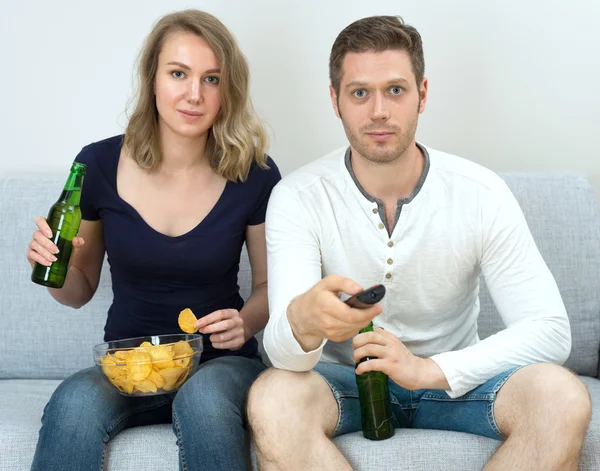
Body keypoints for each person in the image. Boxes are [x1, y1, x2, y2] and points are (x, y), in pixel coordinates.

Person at [247, 15, 591, 471]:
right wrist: (303, 320)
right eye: (359, 93)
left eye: (395, 90)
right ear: (335, 100)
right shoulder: (297, 196)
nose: (378, 112)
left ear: (421, 95)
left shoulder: (480, 193)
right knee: (273, 396)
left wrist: (430, 370)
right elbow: (281, 353)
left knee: (560, 394)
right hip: (343, 384)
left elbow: (550, 330)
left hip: (458, 386)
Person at [27, 9, 280, 471]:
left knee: (203, 399)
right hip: (126, 365)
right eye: (178, 73)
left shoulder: (255, 173)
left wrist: (246, 322)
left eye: (212, 79)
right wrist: (54, 266)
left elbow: (268, 287)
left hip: (221, 367)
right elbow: (77, 291)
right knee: (73, 403)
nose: (193, 94)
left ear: (229, 89)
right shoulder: (98, 164)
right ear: (153, 78)